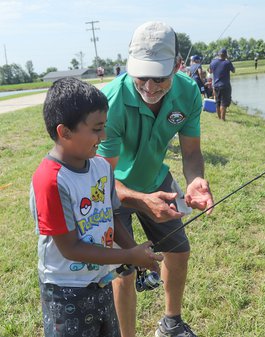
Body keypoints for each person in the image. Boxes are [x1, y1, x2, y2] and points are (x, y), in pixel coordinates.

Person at [96, 21, 214, 337]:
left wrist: (195, 181)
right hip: (112, 188)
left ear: (177, 66)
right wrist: (140, 200)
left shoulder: (188, 92)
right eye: (141, 76)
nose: (149, 87)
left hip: (156, 179)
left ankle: (171, 323)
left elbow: (191, 153)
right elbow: (103, 179)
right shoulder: (110, 102)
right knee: (124, 267)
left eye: (159, 78)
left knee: (179, 249)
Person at [30, 77, 163, 337]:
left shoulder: (102, 167)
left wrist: (133, 250)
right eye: (96, 129)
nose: (103, 136)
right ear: (64, 132)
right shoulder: (50, 180)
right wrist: (128, 257)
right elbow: (70, 248)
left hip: (102, 282)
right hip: (65, 291)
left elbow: (111, 215)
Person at [209, 48, 235, 121]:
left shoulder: (213, 62)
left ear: (218, 55)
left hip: (216, 85)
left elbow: (210, 71)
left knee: (218, 102)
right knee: (223, 103)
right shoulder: (227, 62)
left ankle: (219, 118)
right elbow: (233, 70)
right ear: (226, 55)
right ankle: (223, 119)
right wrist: (229, 60)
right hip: (225, 85)